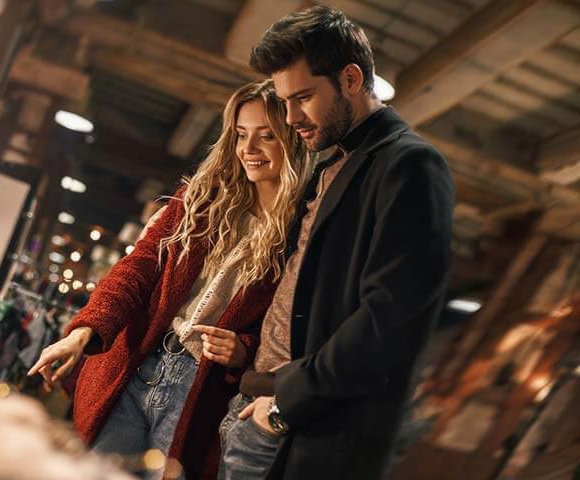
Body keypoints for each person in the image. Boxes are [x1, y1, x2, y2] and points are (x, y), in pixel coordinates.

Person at [28, 80, 309, 479]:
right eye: (241, 135)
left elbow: (286, 327)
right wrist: (81, 333)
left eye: (267, 136)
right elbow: (138, 268)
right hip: (137, 363)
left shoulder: (299, 234)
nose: (249, 149)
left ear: (293, 142)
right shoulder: (199, 200)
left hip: (198, 389)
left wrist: (244, 350)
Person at [218, 6, 455, 480]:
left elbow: (390, 322)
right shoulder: (330, 166)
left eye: (303, 97)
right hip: (253, 409)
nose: (291, 117)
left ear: (350, 78)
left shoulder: (410, 166)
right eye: (285, 100)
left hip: (302, 431)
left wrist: (285, 408)